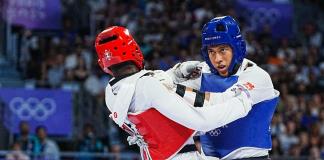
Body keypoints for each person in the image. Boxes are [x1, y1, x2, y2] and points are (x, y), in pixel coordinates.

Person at [95, 26, 254, 159]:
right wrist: (242, 103)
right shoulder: (147, 86)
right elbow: (201, 121)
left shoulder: (111, 91)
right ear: (134, 49)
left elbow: (145, 86)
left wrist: (177, 72)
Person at [168, 16, 280, 159]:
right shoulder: (203, 72)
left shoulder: (257, 77)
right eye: (211, 51)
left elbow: (222, 102)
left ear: (237, 48)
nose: (217, 59)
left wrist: (176, 88)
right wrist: (176, 73)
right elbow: (159, 87)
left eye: (223, 50)